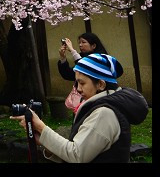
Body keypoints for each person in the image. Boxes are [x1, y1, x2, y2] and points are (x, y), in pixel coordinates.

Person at [12, 53, 148, 162]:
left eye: (82, 83)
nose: (78, 89)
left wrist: (41, 127)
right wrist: (43, 140)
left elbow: (76, 155)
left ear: (100, 84)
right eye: (76, 83)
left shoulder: (104, 113)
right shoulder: (105, 106)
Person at [58, 32, 109, 112]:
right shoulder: (81, 58)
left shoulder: (100, 58)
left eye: (83, 42)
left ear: (93, 46)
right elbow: (68, 74)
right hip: (83, 100)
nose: (80, 45)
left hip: (98, 99)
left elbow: (85, 67)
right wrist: (63, 57)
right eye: (79, 43)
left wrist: (72, 50)